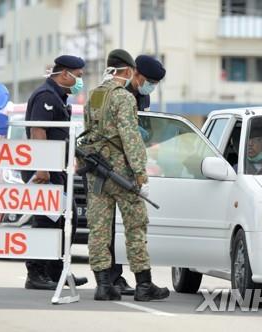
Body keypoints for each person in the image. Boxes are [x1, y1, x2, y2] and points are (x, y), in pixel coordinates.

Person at [80, 49, 170, 301]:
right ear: (129, 70)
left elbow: (88, 132)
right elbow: (131, 139)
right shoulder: (124, 98)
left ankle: (104, 285)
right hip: (122, 175)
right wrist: (141, 175)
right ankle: (143, 285)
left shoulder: (95, 94)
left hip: (98, 173)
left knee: (98, 230)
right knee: (135, 227)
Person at [21, 55, 88, 290]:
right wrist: (42, 167)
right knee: (46, 221)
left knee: (65, 219)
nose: (80, 81)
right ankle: (36, 273)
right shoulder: (46, 96)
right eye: (78, 76)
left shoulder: (58, 96)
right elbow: (39, 131)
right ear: (64, 74)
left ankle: (56, 271)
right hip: (44, 171)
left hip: (56, 168)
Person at [108, 54, 166, 296]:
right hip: (112, 166)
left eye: (154, 82)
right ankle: (113, 279)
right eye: (148, 80)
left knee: (133, 226)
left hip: (132, 165)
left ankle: (130, 280)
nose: (150, 85)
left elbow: (145, 130)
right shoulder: (117, 92)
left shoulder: (143, 95)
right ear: (135, 73)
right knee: (108, 227)